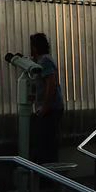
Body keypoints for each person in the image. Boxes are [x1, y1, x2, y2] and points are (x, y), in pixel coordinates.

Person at [30, 33, 64, 163]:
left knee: (47, 142)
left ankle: (49, 177)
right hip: (48, 107)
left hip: (51, 108)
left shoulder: (45, 61)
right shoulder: (42, 61)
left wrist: (45, 106)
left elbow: (51, 82)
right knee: (46, 141)